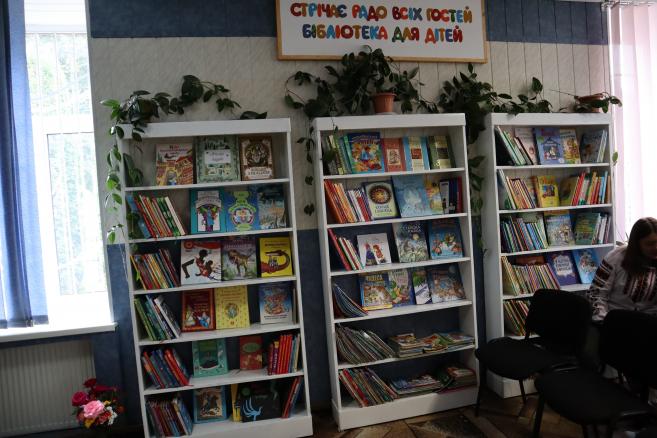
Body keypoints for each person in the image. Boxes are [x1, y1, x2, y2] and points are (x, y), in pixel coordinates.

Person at [587, 217, 657, 321]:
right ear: (636, 244)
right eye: (649, 244)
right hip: (614, 320)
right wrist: (603, 322)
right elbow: (596, 294)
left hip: (649, 322)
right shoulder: (615, 258)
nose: (656, 247)